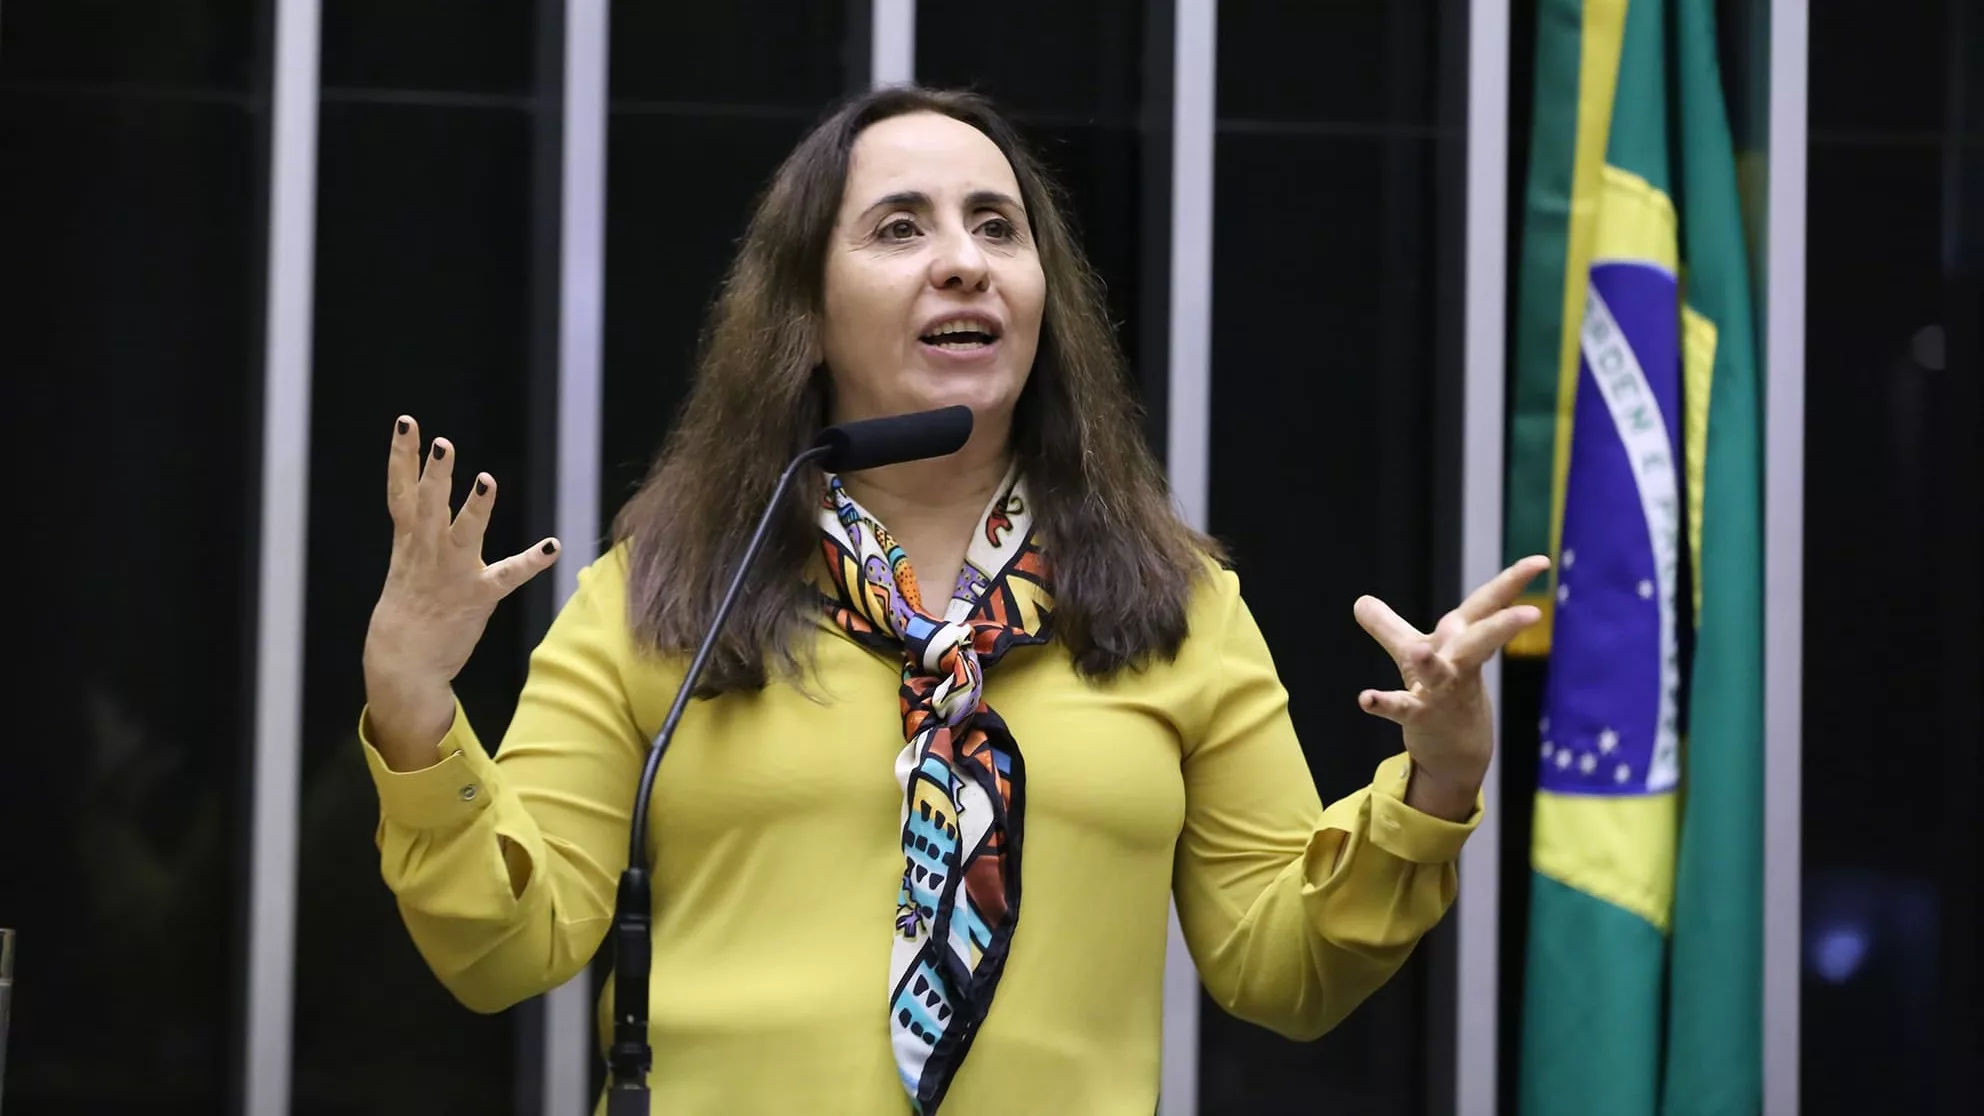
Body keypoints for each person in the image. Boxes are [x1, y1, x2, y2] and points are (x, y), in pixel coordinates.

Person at [358, 84, 1547, 1115]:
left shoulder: (1177, 605)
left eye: (996, 226)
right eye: (898, 228)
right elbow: (511, 949)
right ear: (806, 312)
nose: (964, 258)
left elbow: (1280, 970)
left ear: (1040, 297)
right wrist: (413, 711)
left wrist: (1435, 782)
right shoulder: (666, 594)